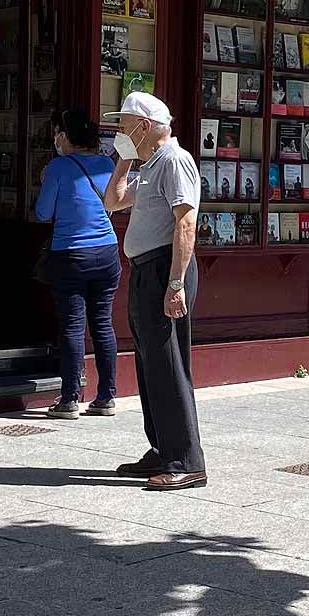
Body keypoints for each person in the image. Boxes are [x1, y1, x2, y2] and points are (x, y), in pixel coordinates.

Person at [103, 92, 206, 490]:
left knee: (169, 364)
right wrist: (125, 158)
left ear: (144, 126)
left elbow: (186, 223)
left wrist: (176, 283)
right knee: (150, 365)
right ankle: (162, 448)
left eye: (125, 125)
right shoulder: (150, 165)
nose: (119, 132)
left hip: (166, 269)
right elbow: (113, 201)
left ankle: (186, 459)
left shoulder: (175, 161)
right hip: (147, 269)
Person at [35, 109, 120, 418]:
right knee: (102, 323)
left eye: (58, 132)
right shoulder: (106, 163)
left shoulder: (59, 167)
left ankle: (70, 397)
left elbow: (43, 213)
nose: (55, 138)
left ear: (65, 137)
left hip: (71, 253)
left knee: (72, 326)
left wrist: (45, 181)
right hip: (107, 251)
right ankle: (106, 396)